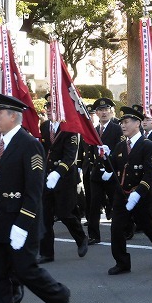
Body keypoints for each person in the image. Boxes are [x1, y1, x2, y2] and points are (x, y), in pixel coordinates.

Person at [0, 92, 70, 303]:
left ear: (13, 116)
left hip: (20, 224)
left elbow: (34, 191)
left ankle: (59, 296)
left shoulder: (29, 144)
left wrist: (22, 224)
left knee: (26, 271)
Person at [104, 106, 152, 274]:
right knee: (116, 228)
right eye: (121, 123)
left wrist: (138, 193)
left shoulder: (149, 146)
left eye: (126, 122)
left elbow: (149, 173)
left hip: (142, 194)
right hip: (122, 194)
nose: (123, 126)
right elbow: (112, 169)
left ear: (138, 123)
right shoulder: (120, 146)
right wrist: (103, 156)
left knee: (148, 226)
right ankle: (122, 262)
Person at [38, 99, 88, 263]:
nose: (50, 110)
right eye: (48, 107)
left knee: (65, 213)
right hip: (47, 176)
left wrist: (58, 172)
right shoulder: (44, 127)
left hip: (65, 177)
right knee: (45, 215)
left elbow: (70, 156)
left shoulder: (69, 128)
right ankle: (47, 253)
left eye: (54, 107)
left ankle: (81, 238)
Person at [87, 97, 122, 244]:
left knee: (116, 203)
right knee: (94, 204)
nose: (103, 113)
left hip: (112, 172)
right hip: (97, 172)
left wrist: (112, 160)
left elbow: (121, 149)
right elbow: (90, 150)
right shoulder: (94, 131)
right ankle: (94, 235)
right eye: (100, 110)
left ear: (111, 111)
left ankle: (124, 230)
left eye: (106, 110)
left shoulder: (117, 128)